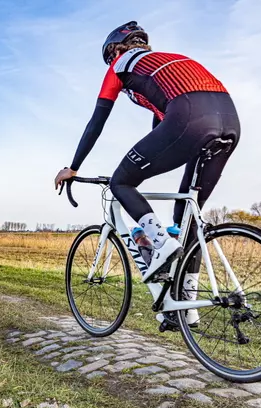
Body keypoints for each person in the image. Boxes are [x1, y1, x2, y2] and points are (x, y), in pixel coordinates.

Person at [53, 21, 241, 324]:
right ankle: (185, 308)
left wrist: (73, 167)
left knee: (121, 181)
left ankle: (161, 245)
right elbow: (161, 128)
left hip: (189, 115)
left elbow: (96, 122)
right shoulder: (169, 61)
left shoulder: (119, 64)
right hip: (229, 121)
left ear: (115, 49)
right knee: (186, 218)